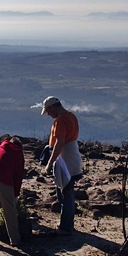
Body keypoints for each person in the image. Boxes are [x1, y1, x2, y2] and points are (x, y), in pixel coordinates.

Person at [41, 96, 82, 235]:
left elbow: (59, 142)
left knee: (65, 193)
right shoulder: (71, 116)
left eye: (48, 111)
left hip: (65, 159)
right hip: (73, 156)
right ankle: (67, 223)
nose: (48, 114)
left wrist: (50, 162)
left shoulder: (60, 120)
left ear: (53, 107)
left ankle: (66, 226)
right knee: (67, 191)